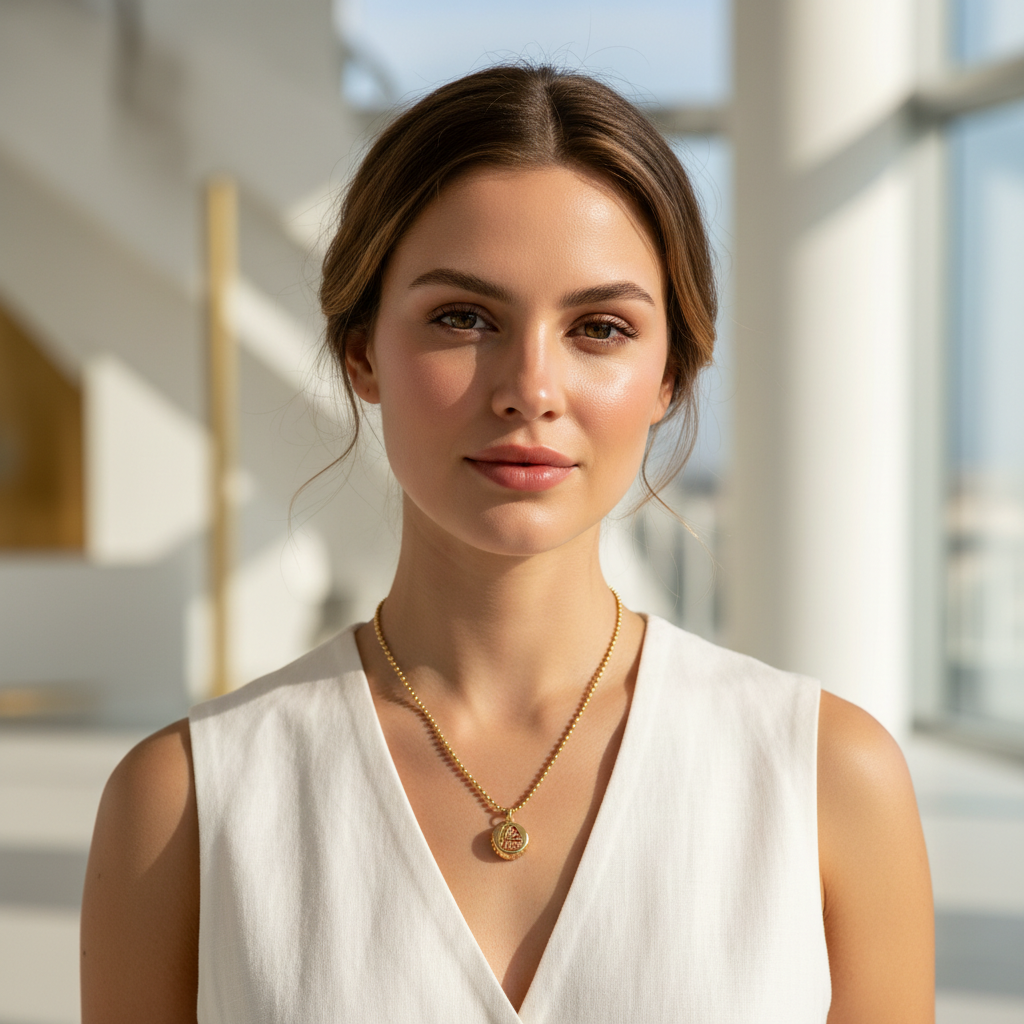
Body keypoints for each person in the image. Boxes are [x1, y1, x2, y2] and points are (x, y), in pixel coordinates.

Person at [80, 65, 934, 1022]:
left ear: (670, 376)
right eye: (463, 318)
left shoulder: (827, 779)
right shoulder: (186, 804)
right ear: (362, 349)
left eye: (600, 328)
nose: (531, 387)